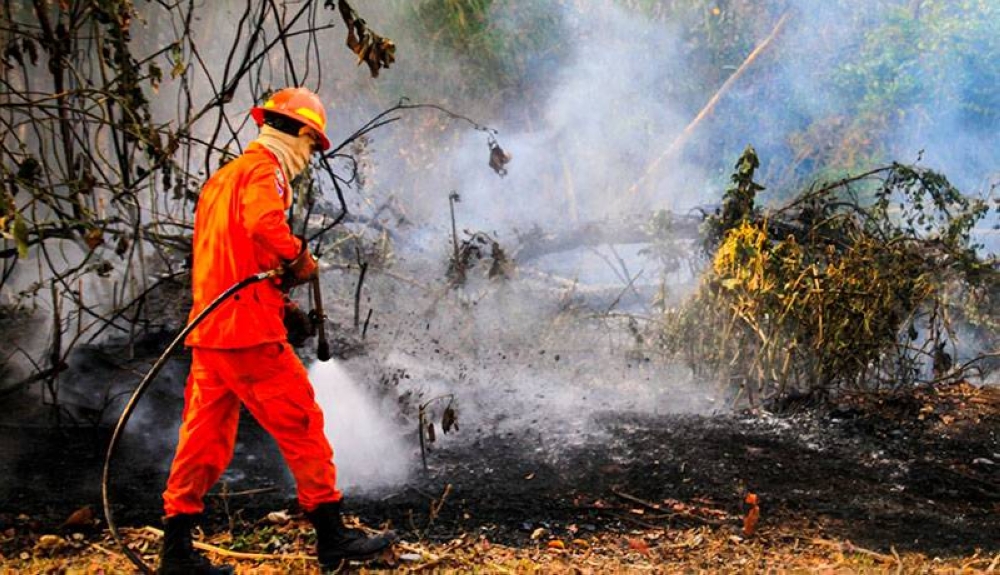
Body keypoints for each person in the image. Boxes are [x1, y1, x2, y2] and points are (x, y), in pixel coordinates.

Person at [157, 87, 392, 575]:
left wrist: (279, 301)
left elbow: (227, 259)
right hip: (248, 336)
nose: (309, 157)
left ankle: (175, 551)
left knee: (202, 441)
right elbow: (264, 225)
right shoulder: (267, 171)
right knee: (303, 425)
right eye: (312, 146)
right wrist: (298, 258)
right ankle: (333, 539)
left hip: (210, 332)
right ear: (303, 133)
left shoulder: (222, 179)